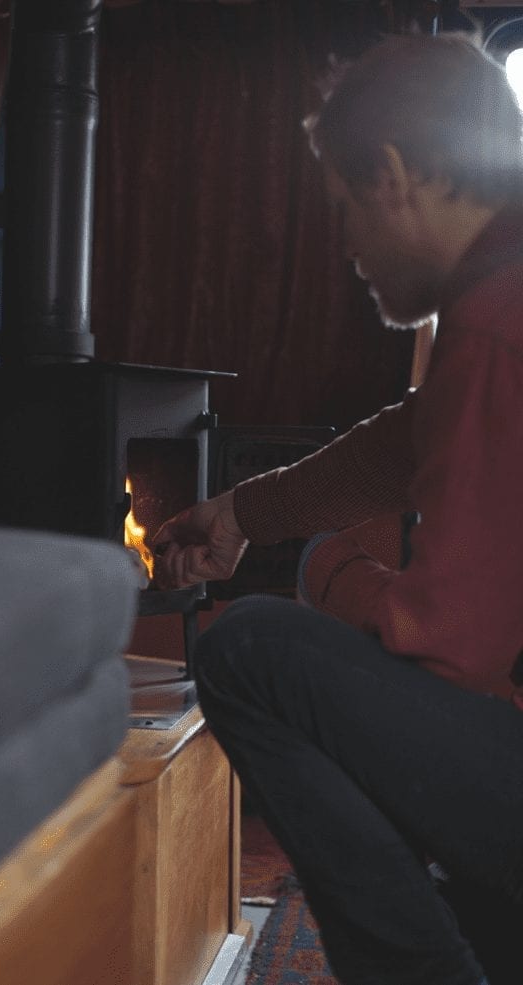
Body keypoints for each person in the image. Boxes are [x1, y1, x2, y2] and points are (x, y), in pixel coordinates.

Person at [153, 32, 523, 985]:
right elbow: (404, 443)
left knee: (247, 650)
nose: (350, 247)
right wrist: (243, 514)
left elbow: (446, 647)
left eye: (348, 209)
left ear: (397, 176)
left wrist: (325, 572)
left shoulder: (496, 321)